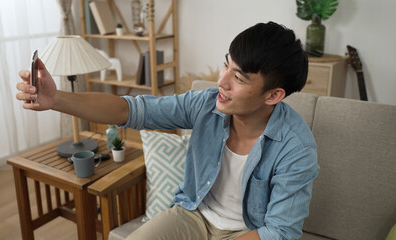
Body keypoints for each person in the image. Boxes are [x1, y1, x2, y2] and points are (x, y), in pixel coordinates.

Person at [16, 21, 319, 240]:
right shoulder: (206, 104)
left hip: (249, 231)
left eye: (238, 77)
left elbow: (279, 231)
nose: (222, 82)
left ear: (273, 96)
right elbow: (131, 110)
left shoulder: (295, 146)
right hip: (193, 215)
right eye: (225, 65)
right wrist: (55, 99)